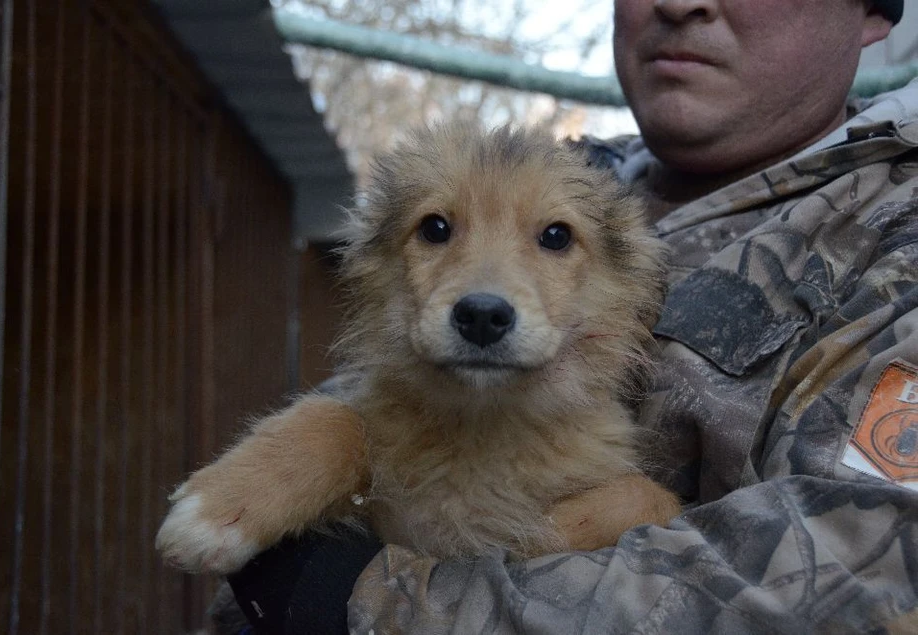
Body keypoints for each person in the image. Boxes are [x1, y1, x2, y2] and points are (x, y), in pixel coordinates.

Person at [221, 0, 918, 632]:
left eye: (555, 239)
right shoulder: (554, 172)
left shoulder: (895, 233)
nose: (679, 5)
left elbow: (856, 585)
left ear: (873, 14)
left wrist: (366, 600)